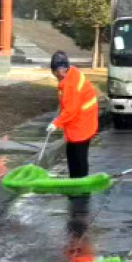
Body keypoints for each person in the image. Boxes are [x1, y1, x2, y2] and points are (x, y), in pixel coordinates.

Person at [48, 51, 99, 179]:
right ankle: (75, 178)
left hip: (82, 123)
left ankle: (80, 181)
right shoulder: (71, 74)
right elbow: (68, 104)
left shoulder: (71, 84)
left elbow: (71, 110)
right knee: (72, 152)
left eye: (56, 71)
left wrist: (56, 123)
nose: (55, 74)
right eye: (54, 71)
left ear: (63, 69)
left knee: (78, 155)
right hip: (79, 121)